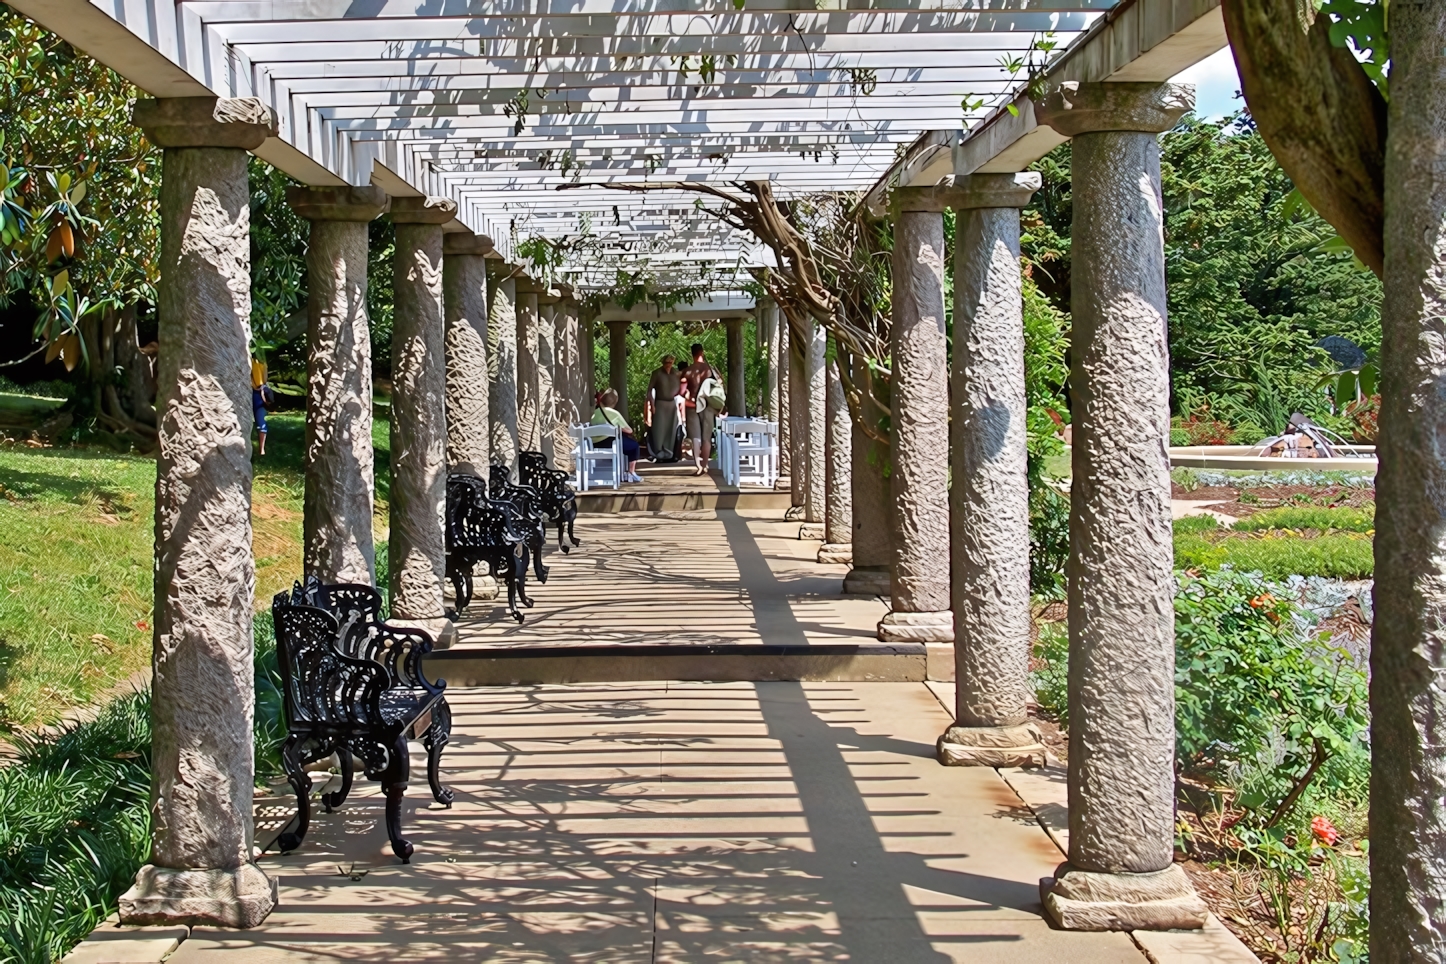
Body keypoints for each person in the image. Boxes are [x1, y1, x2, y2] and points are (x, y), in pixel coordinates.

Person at [682, 342, 722, 476]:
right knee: (706, 438)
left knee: (696, 438)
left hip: (693, 405)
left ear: (691, 354)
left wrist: (688, 400)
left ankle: (698, 465)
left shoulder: (688, 371)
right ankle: (705, 464)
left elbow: (680, 391)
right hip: (708, 406)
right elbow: (720, 389)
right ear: (702, 353)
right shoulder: (710, 370)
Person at [591, 389, 643, 483]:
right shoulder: (614, 413)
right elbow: (629, 430)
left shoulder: (595, 413)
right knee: (634, 446)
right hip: (610, 443)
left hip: (594, 443)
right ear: (615, 402)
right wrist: (618, 427)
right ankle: (631, 472)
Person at [645, 354, 682, 462]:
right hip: (660, 403)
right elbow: (649, 391)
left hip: (672, 404)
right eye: (666, 363)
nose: (668, 365)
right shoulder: (656, 373)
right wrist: (652, 406)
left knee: (671, 429)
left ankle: (669, 453)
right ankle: (658, 452)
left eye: (670, 363)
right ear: (662, 363)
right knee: (659, 429)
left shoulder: (676, 373)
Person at [250, 352, 272, 457]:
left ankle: (261, 449)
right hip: (262, 393)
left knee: (259, 421)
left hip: (256, 393)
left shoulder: (254, 362)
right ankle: (261, 449)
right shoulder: (263, 362)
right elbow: (264, 379)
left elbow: (258, 384)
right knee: (260, 421)